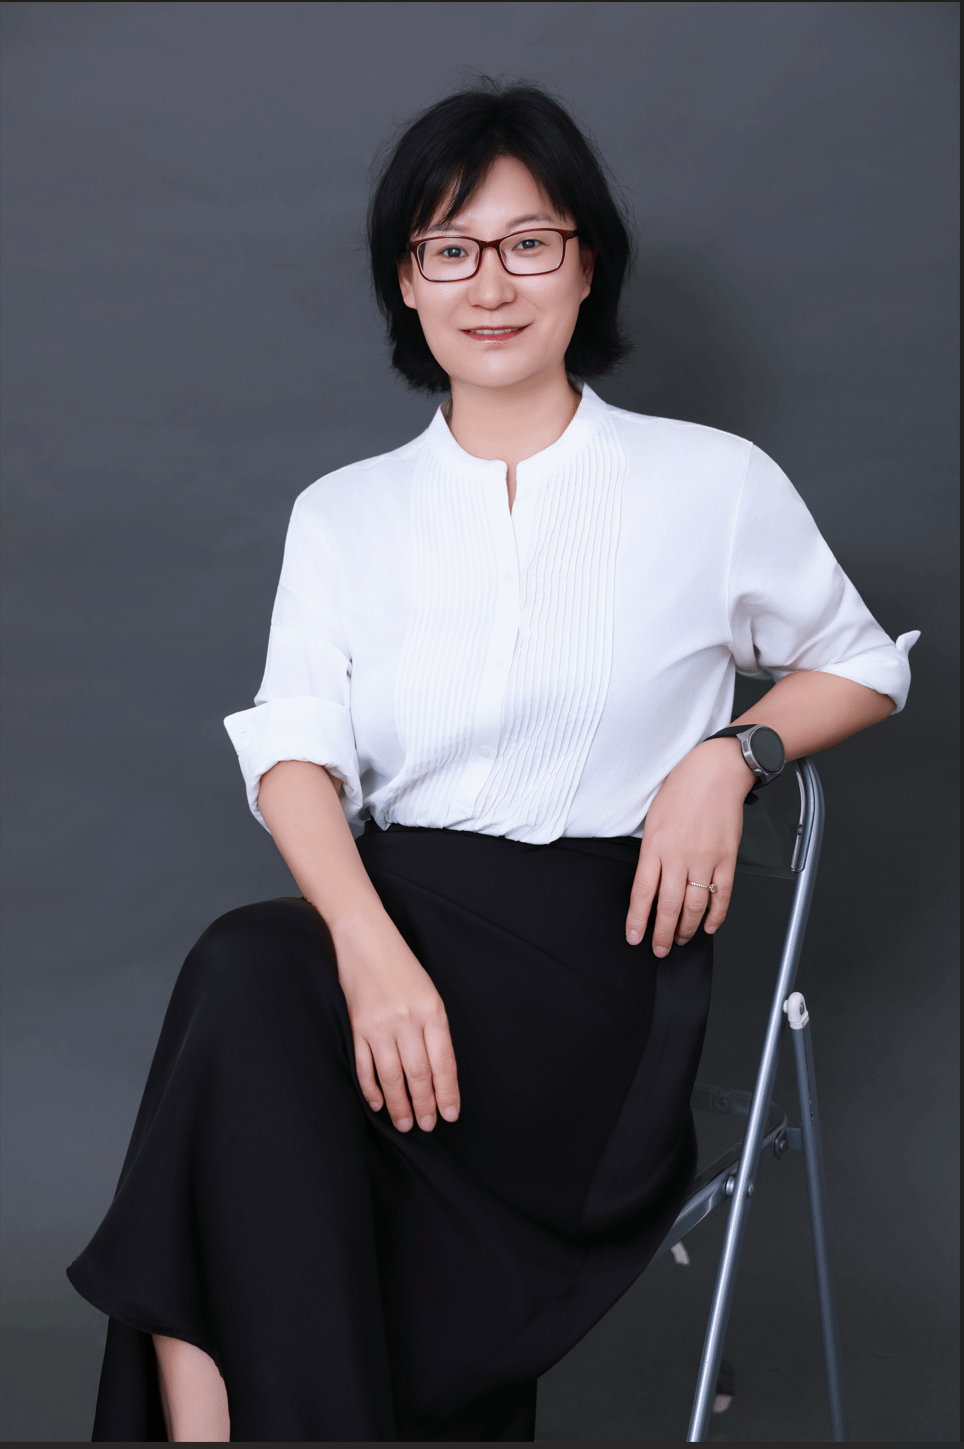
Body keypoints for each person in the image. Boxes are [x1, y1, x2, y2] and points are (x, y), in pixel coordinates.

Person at [67, 80, 918, 1443]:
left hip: (594, 974)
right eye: (449, 249)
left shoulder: (711, 484)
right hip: (386, 935)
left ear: (587, 264)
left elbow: (866, 663)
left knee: (243, 1002)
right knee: (253, 987)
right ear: (407, 283)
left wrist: (733, 752)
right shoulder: (345, 513)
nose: (490, 283)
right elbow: (292, 755)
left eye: (528, 243)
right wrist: (371, 953)